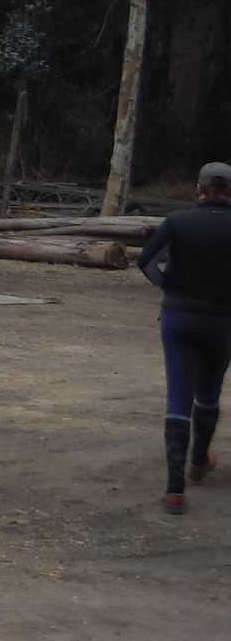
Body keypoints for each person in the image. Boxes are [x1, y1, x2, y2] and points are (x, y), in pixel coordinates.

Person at [137, 162, 231, 514]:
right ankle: (198, 462)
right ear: (230, 193)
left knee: (178, 397)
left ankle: (175, 490)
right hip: (223, 321)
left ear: (199, 189)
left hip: (178, 318)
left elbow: (146, 262)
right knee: (208, 393)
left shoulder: (178, 222)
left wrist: (169, 288)